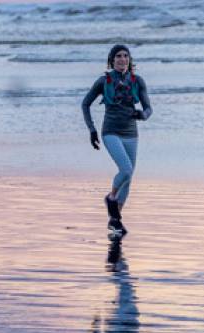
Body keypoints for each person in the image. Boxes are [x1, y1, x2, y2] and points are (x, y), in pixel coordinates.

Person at [82, 44, 153, 239]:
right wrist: (92, 130)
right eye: (118, 56)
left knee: (128, 180)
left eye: (126, 56)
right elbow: (85, 104)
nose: (122, 59)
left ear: (130, 60)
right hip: (110, 132)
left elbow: (148, 109)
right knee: (126, 170)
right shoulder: (103, 81)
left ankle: (115, 219)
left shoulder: (137, 81)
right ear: (112, 61)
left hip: (131, 134)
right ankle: (111, 198)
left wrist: (142, 115)